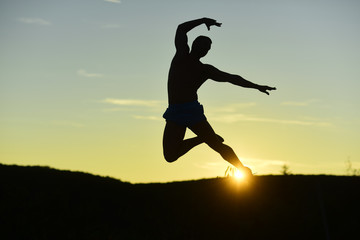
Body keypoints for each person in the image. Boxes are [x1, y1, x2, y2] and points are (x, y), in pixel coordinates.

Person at [162, 18, 276, 176]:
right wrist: (203, 20)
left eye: (208, 48)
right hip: (175, 111)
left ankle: (242, 169)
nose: (206, 50)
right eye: (205, 46)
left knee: (217, 146)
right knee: (170, 156)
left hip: (191, 111)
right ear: (195, 45)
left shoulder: (205, 70)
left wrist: (256, 86)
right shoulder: (181, 56)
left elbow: (232, 78)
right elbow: (181, 28)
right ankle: (201, 138)